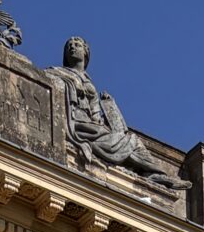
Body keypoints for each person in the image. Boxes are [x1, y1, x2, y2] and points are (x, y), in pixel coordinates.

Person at [54, 37, 173, 191]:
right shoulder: (57, 72)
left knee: (131, 139)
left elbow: (96, 116)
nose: (72, 47)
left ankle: (154, 174)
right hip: (76, 122)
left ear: (86, 53)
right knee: (130, 141)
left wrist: (110, 108)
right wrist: (72, 86)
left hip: (91, 127)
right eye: (69, 46)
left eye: (77, 45)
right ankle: (152, 173)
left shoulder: (89, 83)